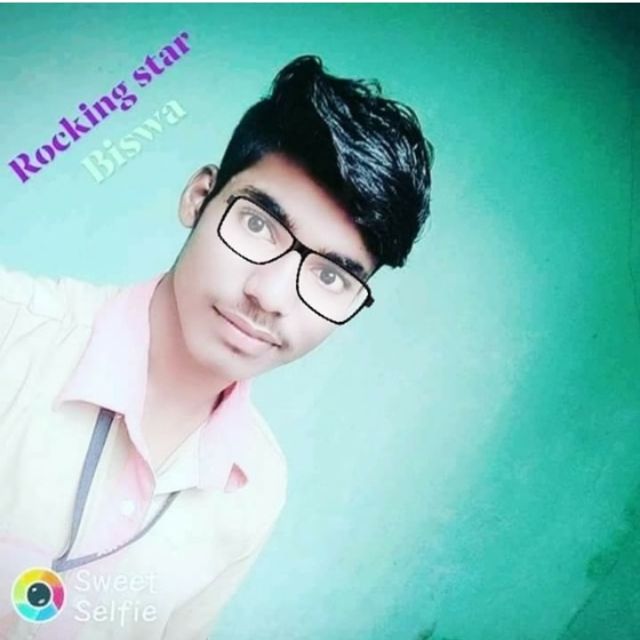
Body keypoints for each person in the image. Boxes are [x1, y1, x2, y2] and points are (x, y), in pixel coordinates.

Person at [0, 54, 434, 639]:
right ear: (199, 197)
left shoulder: (255, 489)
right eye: (258, 225)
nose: (270, 295)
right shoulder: (12, 329)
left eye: (331, 277)